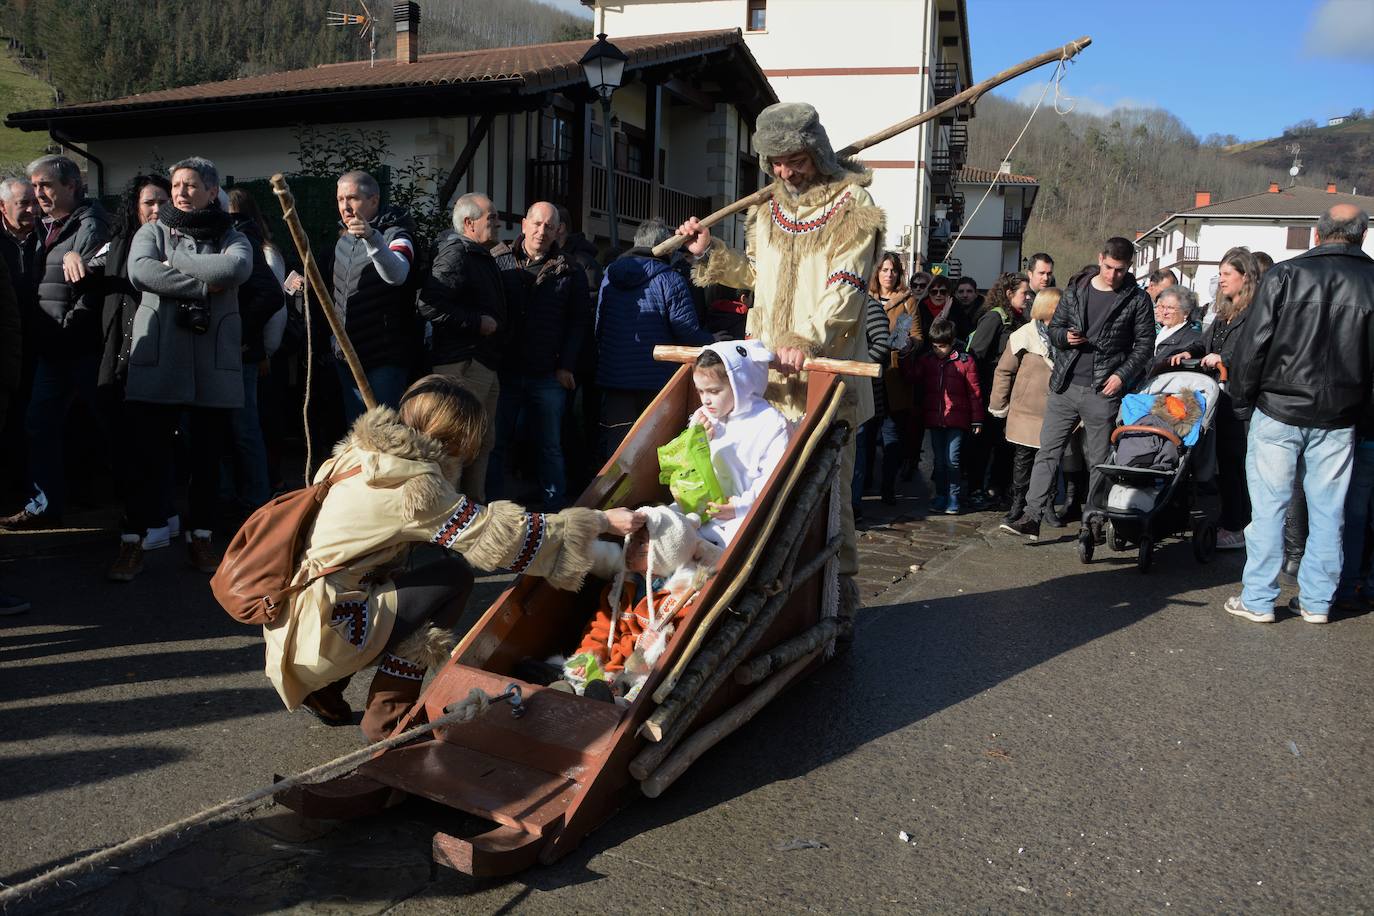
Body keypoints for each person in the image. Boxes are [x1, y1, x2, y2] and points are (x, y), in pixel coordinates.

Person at [265, 374, 643, 739]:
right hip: (327, 628)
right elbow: (502, 536)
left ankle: (326, 690)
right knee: (451, 579)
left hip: (292, 616)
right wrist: (599, 520)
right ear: (456, 436)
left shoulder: (357, 454)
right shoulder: (415, 485)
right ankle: (388, 716)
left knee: (409, 572)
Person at [676, 101, 884, 634]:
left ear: (815, 151)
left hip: (823, 378)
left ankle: (836, 605)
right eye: (774, 163)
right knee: (756, 490)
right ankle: (764, 603)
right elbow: (756, 276)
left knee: (827, 495)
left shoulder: (853, 205)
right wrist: (712, 254)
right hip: (762, 380)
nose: (785, 173)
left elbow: (848, 288)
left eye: (794, 161)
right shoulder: (767, 207)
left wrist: (804, 341)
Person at [1223, 204, 1374, 625]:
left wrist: (1241, 399)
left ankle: (1257, 600)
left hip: (1279, 407)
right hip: (1339, 415)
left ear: (1316, 235)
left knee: (1269, 508)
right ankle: (1317, 602)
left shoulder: (1285, 275)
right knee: (1329, 513)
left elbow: (1253, 346)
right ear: (1361, 237)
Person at [115, 157, 253, 579]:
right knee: (146, 459)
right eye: (176, 185)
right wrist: (202, 285)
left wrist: (173, 261)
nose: (179, 193)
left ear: (212, 191)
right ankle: (132, 542)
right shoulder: (150, 231)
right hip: (159, 362)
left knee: (207, 460)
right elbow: (140, 272)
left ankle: (202, 539)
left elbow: (235, 268)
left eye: (190, 185)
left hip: (212, 366)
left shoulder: (233, 234)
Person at [1002, 237, 1154, 540]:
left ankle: (1094, 520)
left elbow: (1144, 345)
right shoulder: (1075, 291)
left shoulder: (1137, 299)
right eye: (1109, 267)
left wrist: (1122, 376)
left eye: (1120, 270)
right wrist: (1064, 338)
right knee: (1048, 452)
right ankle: (1032, 517)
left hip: (1103, 390)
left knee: (1098, 460)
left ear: (1129, 267)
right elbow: (1054, 329)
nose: (1113, 275)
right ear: (1100, 259)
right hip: (1065, 385)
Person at [1, 156, 110, 530]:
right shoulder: (50, 228)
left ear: (71, 185)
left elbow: (91, 290)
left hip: (80, 348)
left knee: (108, 426)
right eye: (34, 185)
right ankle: (44, 504)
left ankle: (144, 509)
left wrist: (63, 327)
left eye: (45, 185)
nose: (38, 193)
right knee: (40, 425)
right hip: (54, 350)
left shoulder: (91, 225)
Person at [487, 201, 591, 511]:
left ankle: (554, 509)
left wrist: (566, 366)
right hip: (504, 370)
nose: (541, 231)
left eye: (549, 226)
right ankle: (493, 505)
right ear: (523, 224)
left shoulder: (570, 269)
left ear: (558, 231)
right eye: (536, 223)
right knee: (496, 443)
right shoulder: (499, 260)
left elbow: (579, 323)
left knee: (550, 446)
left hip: (548, 372)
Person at [595, 218, 713, 462]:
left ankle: (609, 497)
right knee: (653, 448)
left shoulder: (609, 276)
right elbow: (687, 333)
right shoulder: (670, 279)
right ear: (666, 246)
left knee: (618, 449)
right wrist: (713, 340)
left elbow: (599, 325)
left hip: (615, 375)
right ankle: (648, 500)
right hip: (656, 380)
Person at [417, 192, 506, 501]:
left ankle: (473, 507)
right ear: (469, 223)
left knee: (482, 439)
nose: (497, 223)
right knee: (455, 441)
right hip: (462, 363)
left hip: (482, 362)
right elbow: (429, 304)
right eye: (491, 217)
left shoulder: (478, 253)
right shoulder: (456, 254)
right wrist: (475, 322)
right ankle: (448, 516)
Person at [1172, 246, 1259, 550]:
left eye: (1226, 274)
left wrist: (1222, 356)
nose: (1221, 280)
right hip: (1220, 399)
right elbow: (1204, 341)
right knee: (1226, 463)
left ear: (1244, 277)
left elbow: (1252, 350)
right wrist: (1191, 352)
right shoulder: (1224, 312)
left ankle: (1238, 526)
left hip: (1241, 400)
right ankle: (1231, 520)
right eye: (1220, 274)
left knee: (1237, 466)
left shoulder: (1256, 312)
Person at [324, 170, 417, 425]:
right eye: (340, 199)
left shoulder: (397, 235)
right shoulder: (341, 242)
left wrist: (372, 238)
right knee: (357, 438)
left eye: (352, 198)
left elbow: (397, 274)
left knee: (384, 437)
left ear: (374, 201)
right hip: (348, 356)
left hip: (384, 358)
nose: (345, 206)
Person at [221, 188, 287, 517]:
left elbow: (275, 306)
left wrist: (265, 350)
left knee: (251, 427)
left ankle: (260, 495)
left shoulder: (261, 250)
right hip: (247, 350)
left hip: (253, 352)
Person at [690, 341, 793, 547]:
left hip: (744, 514)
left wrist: (739, 506)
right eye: (701, 392)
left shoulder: (770, 424)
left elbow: (772, 478)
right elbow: (687, 469)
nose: (706, 400)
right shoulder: (703, 417)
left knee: (737, 543)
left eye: (714, 391)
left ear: (740, 385)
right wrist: (695, 442)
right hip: (703, 507)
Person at [989, 288, 1061, 524]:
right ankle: (1018, 502)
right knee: (1023, 459)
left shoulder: (1068, 337)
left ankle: (1046, 504)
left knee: (1050, 459)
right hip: (1026, 410)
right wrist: (999, 404)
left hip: (1055, 410)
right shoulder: (1024, 335)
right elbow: (1004, 371)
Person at [904, 318, 982, 514]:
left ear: (953, 342)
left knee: (952, 460)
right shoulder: (927, 360)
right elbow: (912, 376)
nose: (939, 350)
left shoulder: (965, 361)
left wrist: (977, 418)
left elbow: (975, 392)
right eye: (936, 346)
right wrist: (904, 355)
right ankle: (941, 495)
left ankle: (954, 496)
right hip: (934, 417)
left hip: (957, 418)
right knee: (939, 461)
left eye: (943, 346)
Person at [861, 251, 920, 506]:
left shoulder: (907, 300)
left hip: (894, 374)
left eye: (893, 270)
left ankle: (888, 486)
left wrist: (902, 345)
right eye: (884, 270)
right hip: (867, 374)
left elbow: (916, 336)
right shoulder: (864, 297)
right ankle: (863, 484)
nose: (889, 274)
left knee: (891, 434)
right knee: (866, 431)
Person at [965, 272, 1029, 507]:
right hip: (991, 394)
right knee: (983, 446)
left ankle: (997, 488)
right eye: (1024, 292)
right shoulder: (994, 318)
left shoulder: (1021, 319)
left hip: (1012, 394)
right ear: (1010, 293)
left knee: (1005, 445)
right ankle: (975, 489)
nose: (1028, 297)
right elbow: (976, 356)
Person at [1150, 285, 1204, 371]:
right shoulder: (1162, 331)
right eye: (1163, 307)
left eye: (1170, 308)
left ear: (1186, 312)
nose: (1165, 312)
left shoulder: (1192, 338)